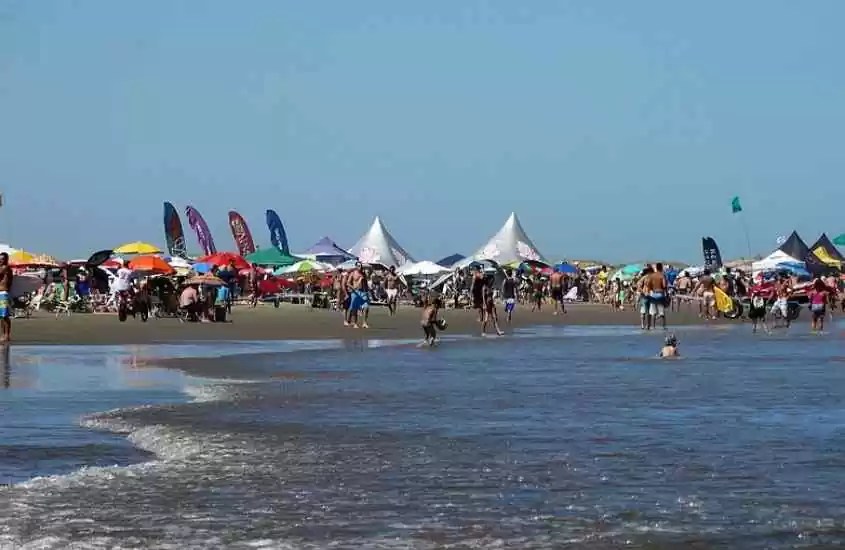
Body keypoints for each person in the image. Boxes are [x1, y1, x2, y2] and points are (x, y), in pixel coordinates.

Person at [646, 263, 669, 330]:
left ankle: (653, 326)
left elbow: (648, 285)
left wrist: (651, 290)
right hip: (660, 294)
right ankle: (664, 326)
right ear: (661, 268)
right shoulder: (662, 275)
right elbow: (664, 285)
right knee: (662, 312)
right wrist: (666, 293)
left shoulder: (652, 276)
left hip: (653, 294)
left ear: (656, 267)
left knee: (653, 312)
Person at [0, 252, 12, 344]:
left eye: (2, 259)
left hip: (3, 293)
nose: (0, 260)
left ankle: (7, 335)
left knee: (4, 316)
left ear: (6, 260)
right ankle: (3, 334)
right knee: (1, 316)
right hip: (1, 293)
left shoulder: (6, 267)